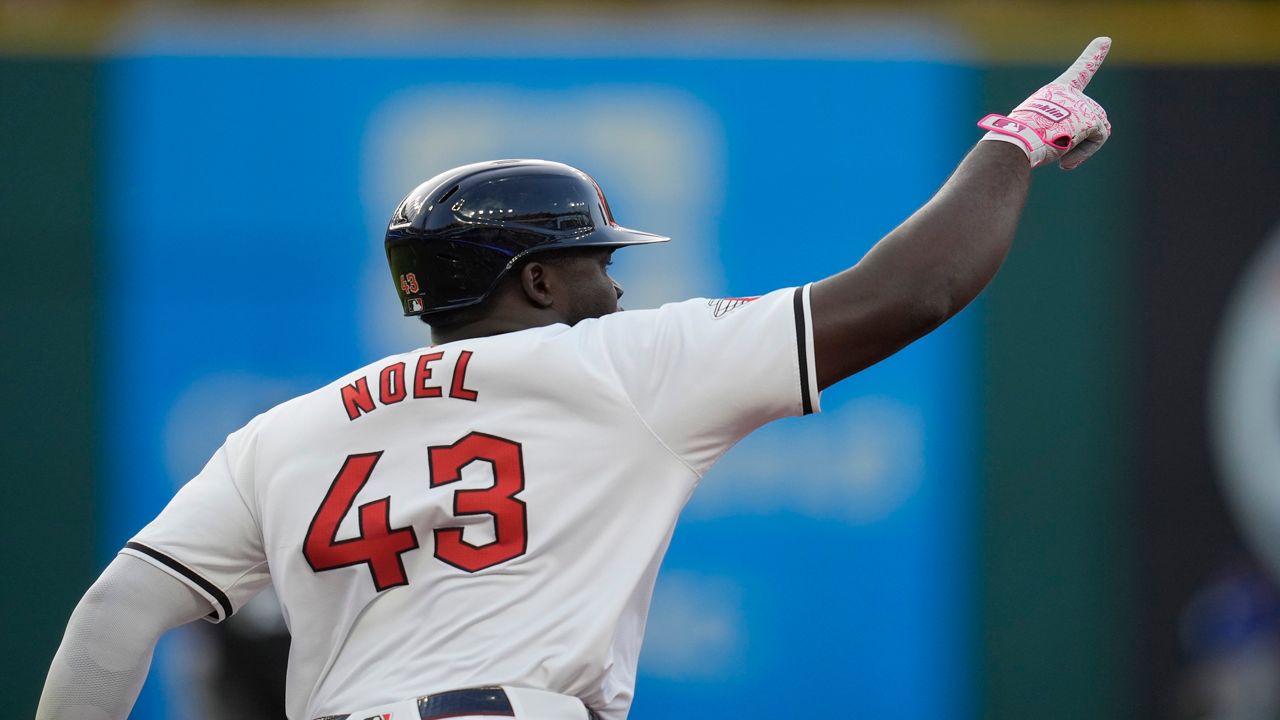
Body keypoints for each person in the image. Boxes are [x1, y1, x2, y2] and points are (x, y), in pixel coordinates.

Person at [37, 38, 1113, 720]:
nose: (615, 290)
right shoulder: (622, 363)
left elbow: (116, 615)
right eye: (599, 265)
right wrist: (1016, 142)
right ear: (538, 279)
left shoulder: (278, 434)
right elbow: (913, 289)